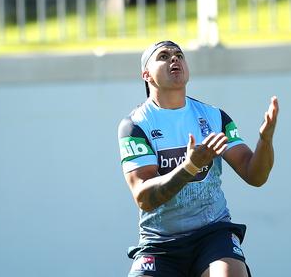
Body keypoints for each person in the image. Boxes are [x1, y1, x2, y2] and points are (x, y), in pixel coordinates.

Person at [118, 40, 279, 277]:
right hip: (160, 242)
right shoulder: (135, 126)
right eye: (163, 56)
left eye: (179, 55)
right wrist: (190, 166)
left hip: (212, 233)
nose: (174, 59)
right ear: (146, 75)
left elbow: (255, 175)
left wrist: (265, 142)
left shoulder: (213, 117)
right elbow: (144, 197)